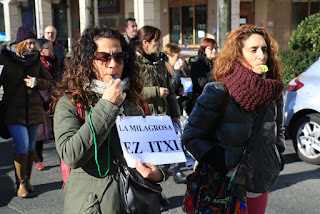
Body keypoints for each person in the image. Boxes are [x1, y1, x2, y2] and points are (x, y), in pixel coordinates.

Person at [52, 25, 169, 214]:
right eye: (103, 57)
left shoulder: (134, 99)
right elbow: (71, 155)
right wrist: (107, 105)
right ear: (88, 61)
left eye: (119, 57)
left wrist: (159, 173)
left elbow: (156, 149)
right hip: (93, 206)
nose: (113, 64)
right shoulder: (71, 103)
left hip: (137, 202)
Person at [181, 24, 285, 214]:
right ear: (238, 54)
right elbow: (191, 136)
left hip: (260, 182)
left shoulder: (274, 91)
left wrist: (276, 157)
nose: (261, 56)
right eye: (253, 50)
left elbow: (279, 129)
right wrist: (219, 160)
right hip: (225, 184)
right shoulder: (219, 91)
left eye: (264, 49)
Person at [0, 26, 50, 197]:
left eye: (34, 43)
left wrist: (36, 82)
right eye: (29, 43)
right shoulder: (4, 58)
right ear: (20, 43)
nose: (32, 47)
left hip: (34, 110)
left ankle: (27, 179)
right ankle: (20, 183)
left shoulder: (36, 59)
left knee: (30, 146)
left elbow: (48, 82)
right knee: (22, 144)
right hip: (13, 111)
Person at [33, 38, 62, 171]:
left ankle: (64, 157)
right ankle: (38, 160)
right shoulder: (34, 64)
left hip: (55, 101)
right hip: (41, 103)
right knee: (38, 135)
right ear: (41, 51)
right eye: (49, 48)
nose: (52, 50)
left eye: (52, 47)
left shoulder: (56, 62)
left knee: (60, 132)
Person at [162, 43, 188, 184]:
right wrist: (177, 72)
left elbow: (175, 87)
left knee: (175, 140)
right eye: (176, 57)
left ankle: (176, 170)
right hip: (164, 111)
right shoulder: (166, 68)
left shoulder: (173, 69)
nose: (179, 60)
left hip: (173, 109)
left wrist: (180, 88)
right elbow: (170, 87)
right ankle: (172, 171)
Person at [187, 38, 218, 114]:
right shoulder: (197, 64)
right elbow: (200, 83)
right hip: (202, 101)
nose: (214, 51)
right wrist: (217, 78)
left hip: (216, 100)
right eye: (211, 49)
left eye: (216, 48)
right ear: (204, 50)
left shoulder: (218, 63)